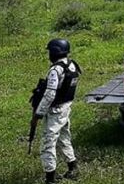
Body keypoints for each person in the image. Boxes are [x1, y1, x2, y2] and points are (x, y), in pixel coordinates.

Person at [34, 39, 82, 183]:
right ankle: (72, 166)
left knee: (48, 143)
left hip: (55, 111)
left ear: (55, 52)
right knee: (64, 138)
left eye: (50, 51)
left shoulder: (56, 70)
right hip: (66, 107)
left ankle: (50, 178)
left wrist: (38, 113)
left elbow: (50, 94)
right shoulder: (72, 65)